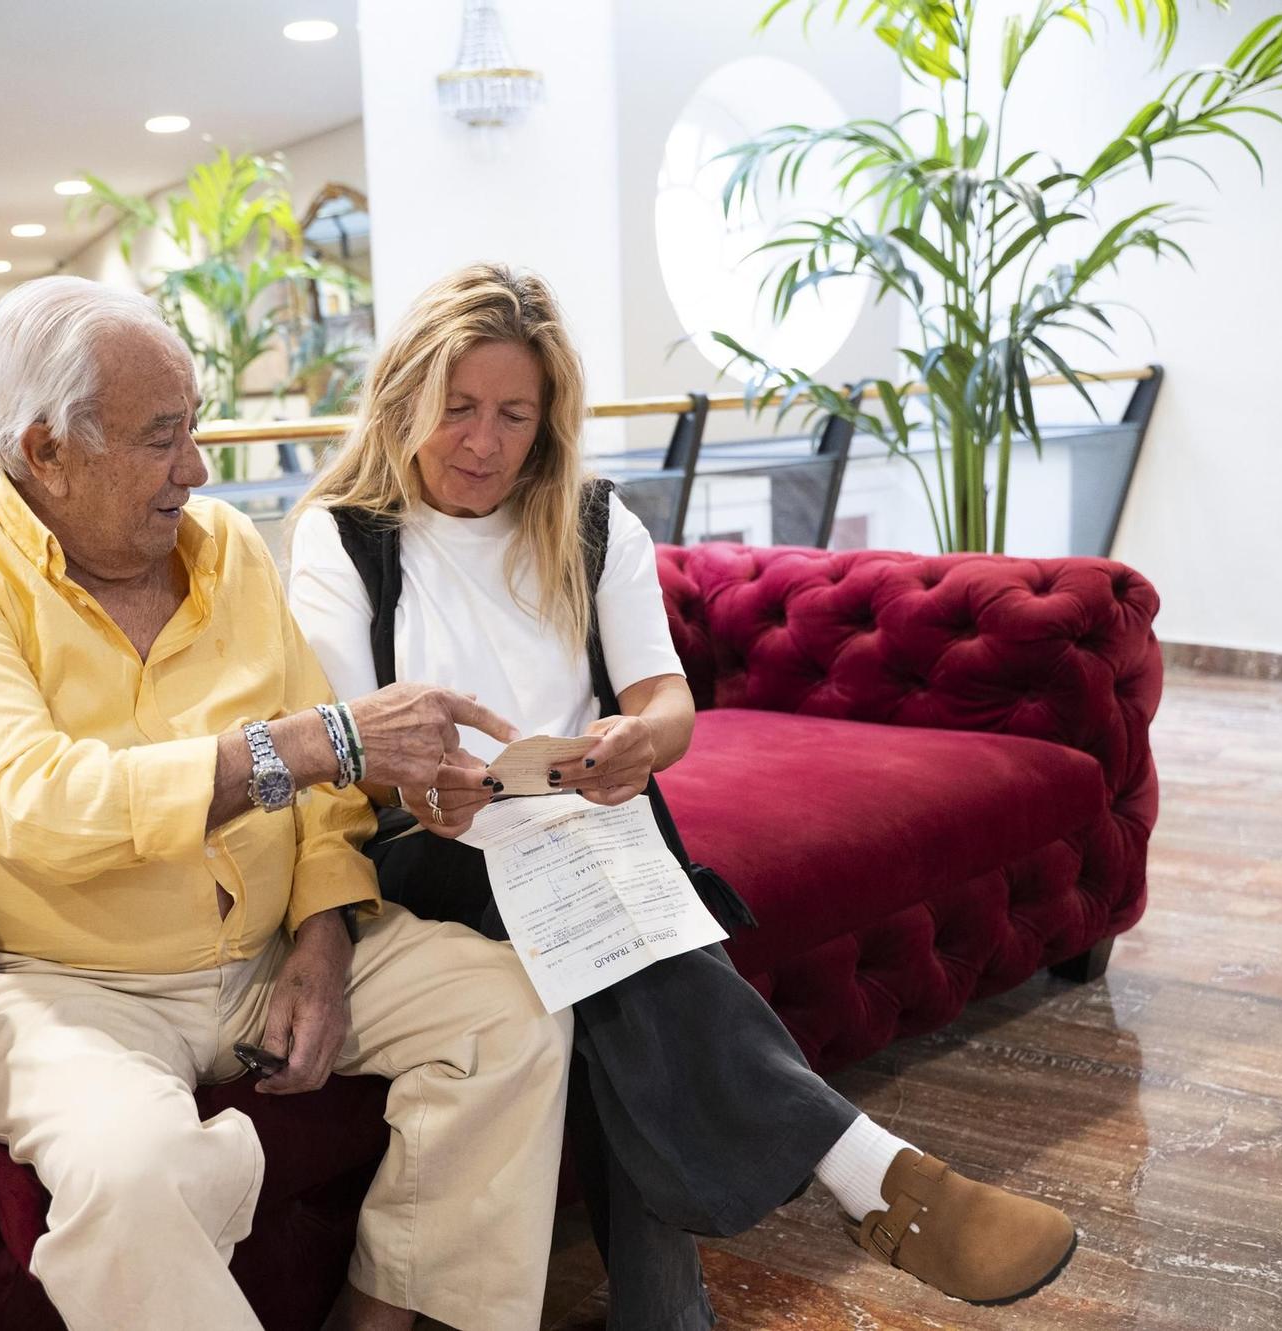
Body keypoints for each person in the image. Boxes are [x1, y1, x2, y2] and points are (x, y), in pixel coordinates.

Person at [286, 263, 1079, 1330]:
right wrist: (425, 775)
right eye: (456, 409)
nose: (481, 442)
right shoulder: (341, 535)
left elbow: (664, 698)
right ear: (404, 400)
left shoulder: (589, 520)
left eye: (512, 414)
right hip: (433, 835)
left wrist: (638, 741)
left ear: (547, 419)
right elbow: (350, 739)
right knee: (632, 932)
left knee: (615, 938)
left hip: (584, 820)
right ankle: (871, 1175)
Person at [0, 275, 574, 1331]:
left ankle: (378, 1319)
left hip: (258, 949)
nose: (194, 469)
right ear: (45, 447)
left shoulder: (227, 548)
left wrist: (323, 932)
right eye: (160, 437)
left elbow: (326, 802)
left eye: (192, 427)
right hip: (66, 982)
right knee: (134, 1168)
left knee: (511, 1010)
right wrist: (310, 741)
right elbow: (35, 803)